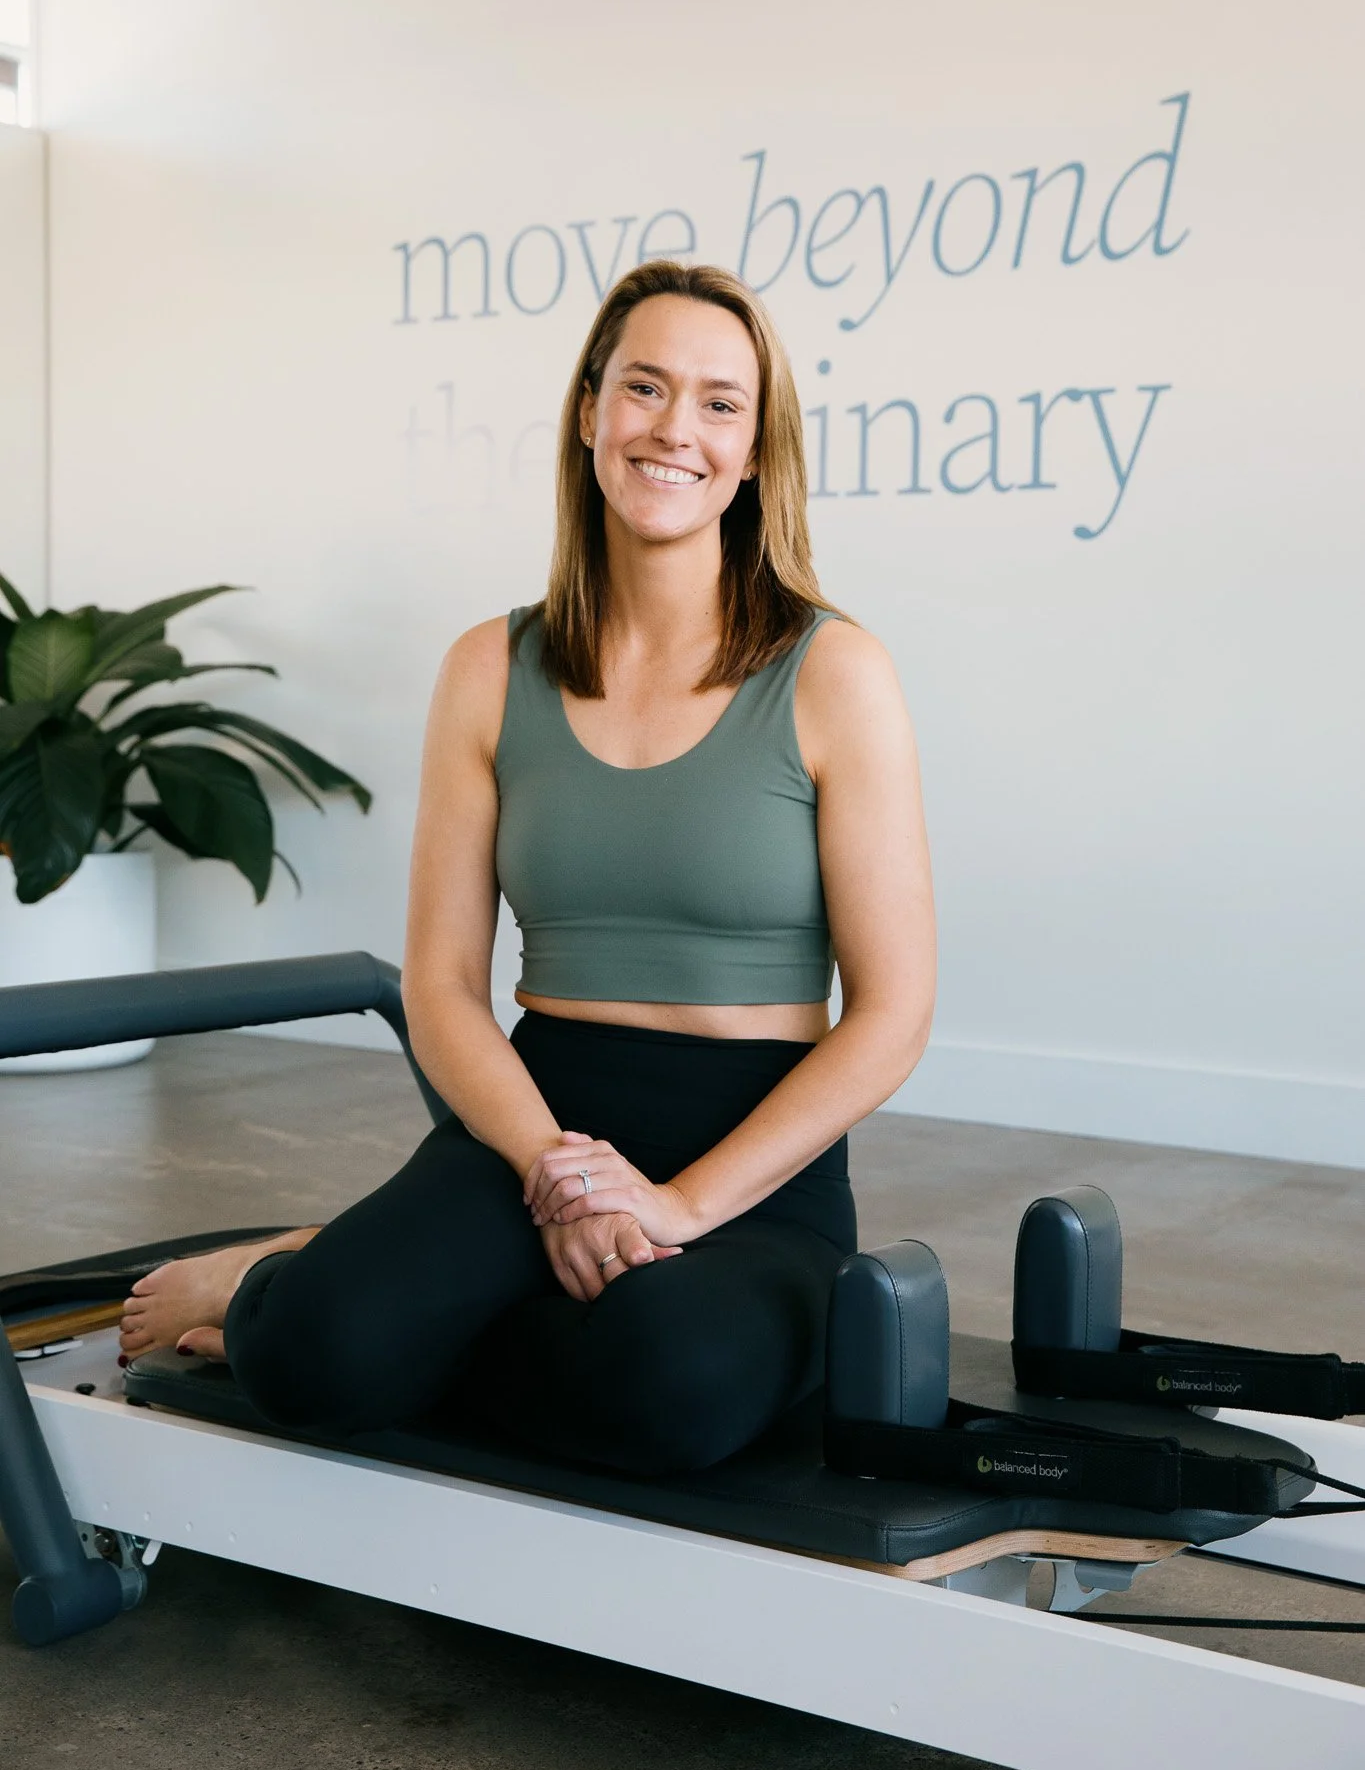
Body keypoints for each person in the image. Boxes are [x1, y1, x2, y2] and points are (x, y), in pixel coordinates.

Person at [119, 261, 936, 1476]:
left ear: (757, 449)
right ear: (590, 409)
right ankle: (295, 1284)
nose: (676, 428)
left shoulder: (835, 671)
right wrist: (560, 1173)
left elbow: (893, 1011)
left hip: (755, 1174)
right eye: (645, 386)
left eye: (720, 402)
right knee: (315, 1351)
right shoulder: (489, 669)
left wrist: (671, 1207)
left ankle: (349, 1274)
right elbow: (445, 983)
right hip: (533, 1131)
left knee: (671, 1380)